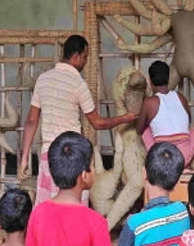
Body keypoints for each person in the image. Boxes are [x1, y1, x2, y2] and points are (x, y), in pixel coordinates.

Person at [19, 34, 137, 207]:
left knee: (48, 205)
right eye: (85, 57)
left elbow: (31, 121)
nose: (85, 62)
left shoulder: (43, 80)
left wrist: (24, 158)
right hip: (72, 155)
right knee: (74, 206)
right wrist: (124, 118)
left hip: (48, 155)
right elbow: (98, 123)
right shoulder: (78, 83)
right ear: (75, 56)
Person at [137, 61, 194, 167]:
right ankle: (185, 167)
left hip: (163, 158)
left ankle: (154, 163)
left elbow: (139, 130)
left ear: (150, 81)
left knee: (146, 129)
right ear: (168, 79)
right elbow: (188, 121)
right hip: (184, 156)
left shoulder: (149, 102)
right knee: (193, 132)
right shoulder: (181, 97)